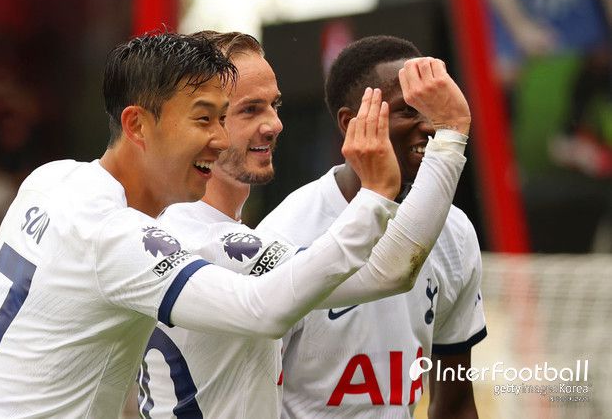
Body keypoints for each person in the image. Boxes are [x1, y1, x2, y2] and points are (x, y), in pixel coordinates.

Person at [0, 32, 407, 418]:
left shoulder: (50, 179)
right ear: (137, 124)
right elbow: (262, 309)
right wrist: (374, 196)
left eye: (223, 118)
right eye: (203, 118)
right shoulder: (116, 236)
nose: (220, 139)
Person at [139, 31, 472, 418]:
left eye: (274, 105)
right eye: (250, 110)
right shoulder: (210, 244)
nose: (275, 124)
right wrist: (449, 134)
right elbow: (391, 270)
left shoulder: (191, 231)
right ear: (199, 123)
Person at [258, 36, 487, 418]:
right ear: (352, 124)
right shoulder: (285, 235)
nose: (430, 125)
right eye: (408, 110)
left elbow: (456, 403)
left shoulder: (455, 232)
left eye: (434, 108)